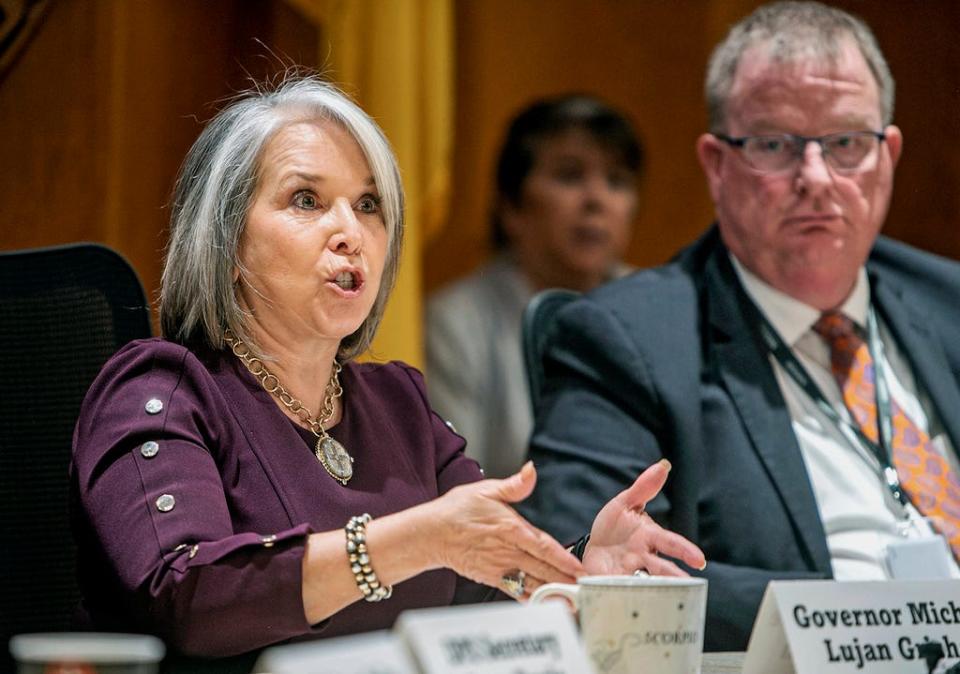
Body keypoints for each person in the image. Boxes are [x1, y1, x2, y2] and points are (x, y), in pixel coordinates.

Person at [69, 76, 704, 661]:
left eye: (368, 204)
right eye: (306, 200)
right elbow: (190, 597)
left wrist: (581, 573)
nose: (350, 231)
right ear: (228, 242)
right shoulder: (159, 389)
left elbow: (488, 599)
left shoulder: (398, 403)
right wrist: (410, 542)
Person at [521, 0, 960, 652]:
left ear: (887, 156)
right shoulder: (626, 340)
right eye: (774, 146)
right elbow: (590, 562)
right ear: (717, 165)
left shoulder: (948, 302)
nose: (814, 178)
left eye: (845, 144)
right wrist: (875, 619)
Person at [427, 95, 642, 478]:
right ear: (512, 206)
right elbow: (461, 488)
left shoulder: (658, 308)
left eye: (617, 180)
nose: (597, 200)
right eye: (570, 175)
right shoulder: (455, 323)